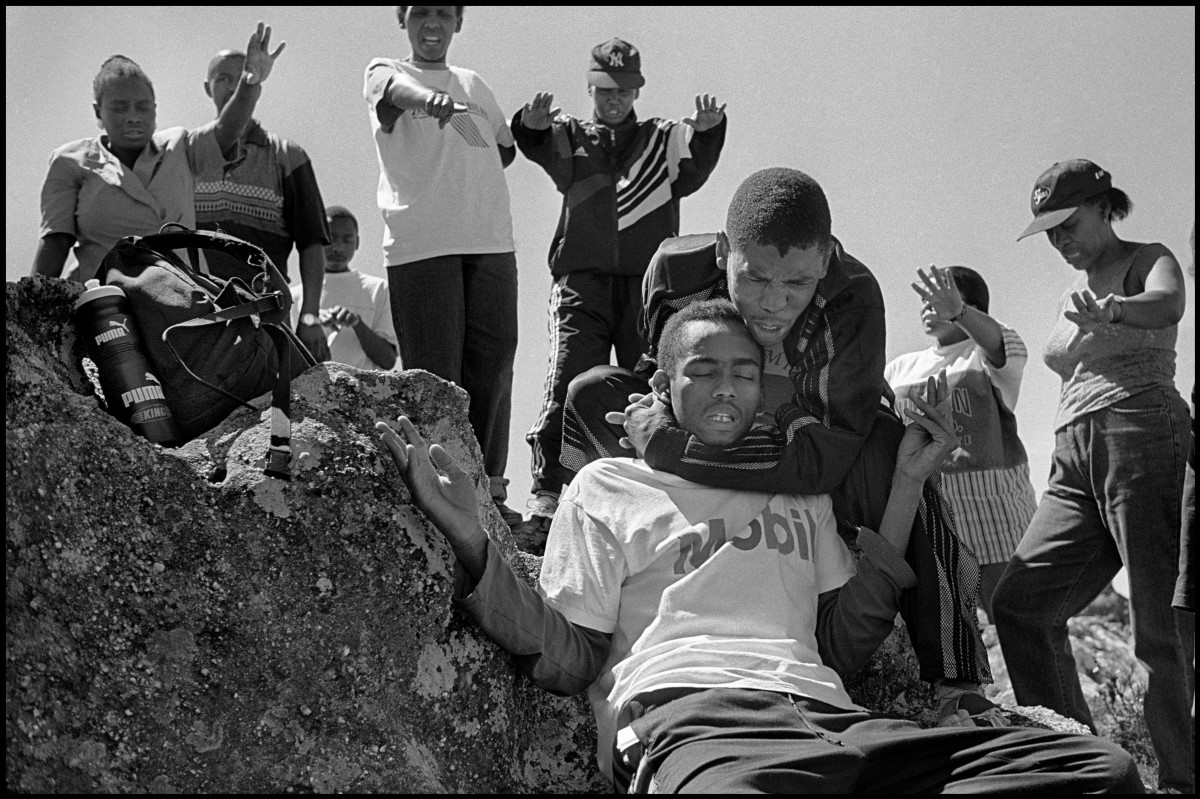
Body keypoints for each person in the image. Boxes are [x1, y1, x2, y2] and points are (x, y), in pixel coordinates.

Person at [376, 299, 1144, 794]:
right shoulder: (610, 483)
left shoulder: (796, 487)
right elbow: (571, 654)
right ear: (664, 383)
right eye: (703, 371)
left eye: (744, 373)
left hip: (839, 722)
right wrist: (473, 536)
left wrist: (907, 484)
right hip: (700, 727)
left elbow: (843, 646)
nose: (726, 388)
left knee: (1098, 772)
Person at [562, 167, 998, 728]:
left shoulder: (853, 297)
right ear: (723, 252)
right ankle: (579, 524)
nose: (773, 303)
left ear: (825, 260)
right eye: (756, 278)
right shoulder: (673, 271)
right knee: (592, 392)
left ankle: (955, 677)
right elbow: (663, 367)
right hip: (713, 421)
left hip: (801, 435)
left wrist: (667, 445)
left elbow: (822, 458)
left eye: (796, 285)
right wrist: (657, 412)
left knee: (893, 447)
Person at [993, 159, 1194, 793]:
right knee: (1020, 605)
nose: (1060, 241)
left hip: (1140, 428)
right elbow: (1061, 353)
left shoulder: (1148, 258)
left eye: (1068, 224)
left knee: (1159, 624)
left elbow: (1169, 301)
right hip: (1074, 450)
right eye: (1048, 232)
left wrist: (1118, 310)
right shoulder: (1070, 293)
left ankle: (1182, 782)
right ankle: (1077, 767)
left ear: (1105, 207)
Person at [512, 37, 727, 536]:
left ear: (638, 90)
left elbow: (694, 163)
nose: (615, 98)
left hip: (646, 290)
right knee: (567, 379)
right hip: (581, 283)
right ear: (591, 86)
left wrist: (711, 132)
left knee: (647, 382)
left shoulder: (662, 137)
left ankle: (644, 489)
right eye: (606, 88)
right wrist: (531, 124)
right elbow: (535, 142)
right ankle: (546, 497)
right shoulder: (572, 136)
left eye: (624, 89)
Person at [363, 5, 521, 525]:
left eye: (443, 14)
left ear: (459, 22)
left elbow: (502, 147)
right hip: (422, 243)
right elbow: (391, 92)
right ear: (402, 20)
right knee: (436, 376)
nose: (432, 23)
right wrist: (429, 100)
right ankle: (436, 488)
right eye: (420, 13)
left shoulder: (473, 82)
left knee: (493, 363)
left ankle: (488, 492)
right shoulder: (386, 71)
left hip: (490, 239)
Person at [32, 23, 284, 284]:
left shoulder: (180, 146)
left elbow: (226, 130)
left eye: (142, 107)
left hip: (182, 301)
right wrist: (31, 308)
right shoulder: (70, 162)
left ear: (155, 110)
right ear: (98, 112)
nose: (133, 117)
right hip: (107, 304)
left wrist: (249, 83)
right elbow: (55, 240)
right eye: (119, 107)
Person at [884, 265, 1036, 621]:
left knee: (1019, 629)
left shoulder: (987, 355)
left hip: (997, 522)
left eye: (938, 299)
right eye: (924, 300)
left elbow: (1003, 344)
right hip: (928, 527)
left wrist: (961, 314)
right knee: (949, 649)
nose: (926, 306)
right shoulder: (900, 368)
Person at [196, 46, 331, 362]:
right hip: (197, 314)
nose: (232, 87)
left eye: (241, 78)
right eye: (222, 78)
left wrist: (310, 317)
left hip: (266, 314)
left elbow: (312, 243)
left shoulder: (286, 156)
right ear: (207, 87)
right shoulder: (189, 155)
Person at [289, 206, 398, 371]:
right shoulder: (295, 296)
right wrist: (312, 321)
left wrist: (357, 323)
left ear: (357, 243)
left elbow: (388, 360)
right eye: (331, 238)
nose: (338, 248)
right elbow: (287, 361)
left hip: (364, 393)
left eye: (347, 239)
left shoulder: (379, 289)